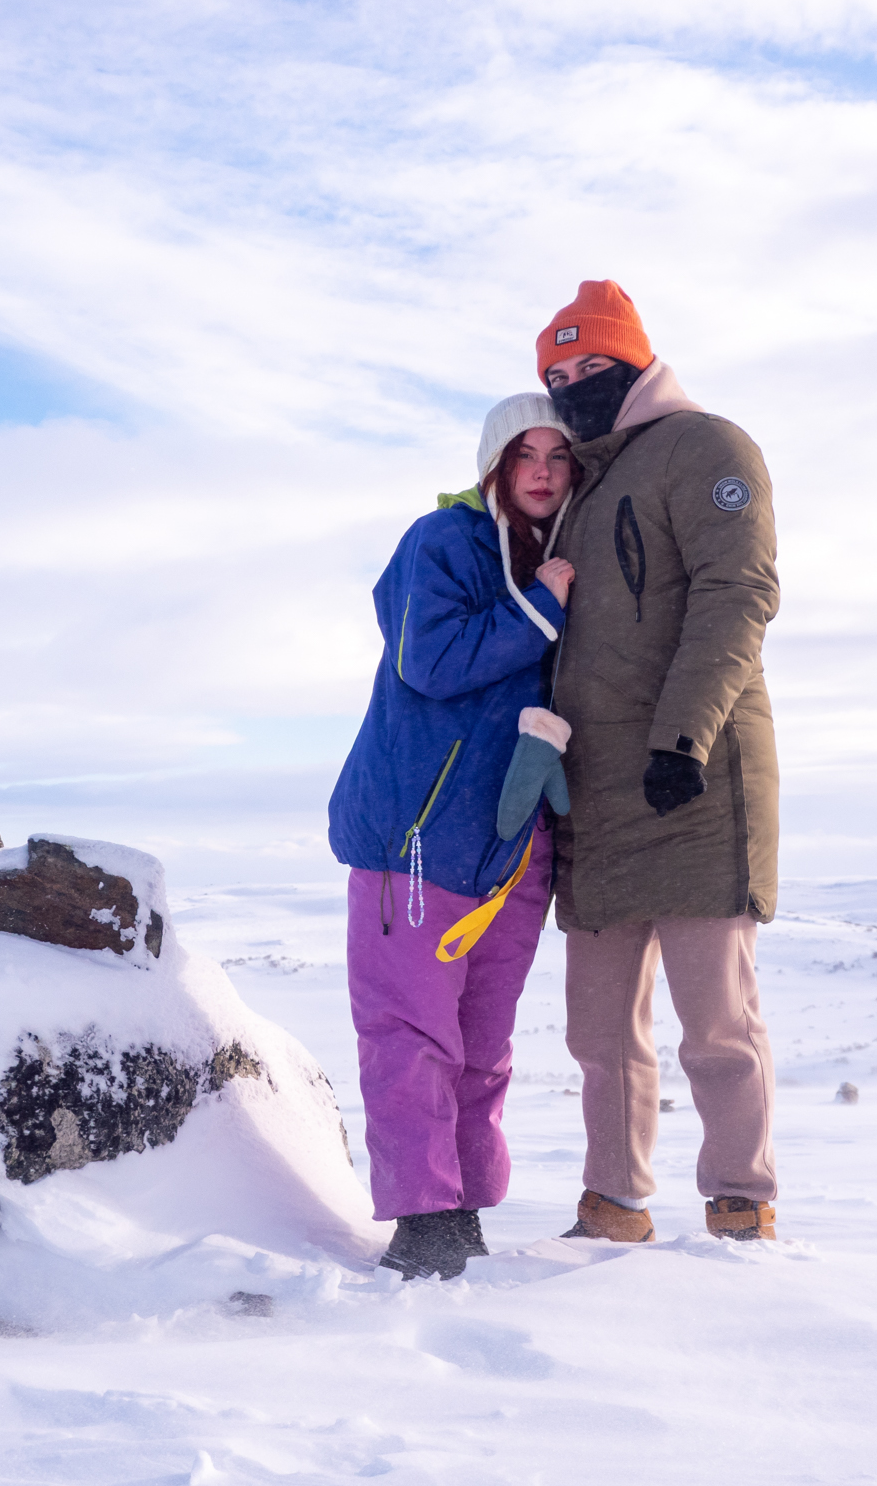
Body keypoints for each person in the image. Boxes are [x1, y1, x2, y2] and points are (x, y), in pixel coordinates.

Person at [536, 280, 784, 1243]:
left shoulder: (708, 447)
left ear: (636, 360)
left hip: (695, 776)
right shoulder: (581, 484)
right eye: (557, 375)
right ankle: (613, 1204)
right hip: (595, 799)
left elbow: (738, 593)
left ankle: (740, 1200)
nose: (575, 386)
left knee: (716, 1026)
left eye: (592, 366)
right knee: (599, 1034)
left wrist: (684, 737)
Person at [327, 393, 580, 1280]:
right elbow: (425, 662)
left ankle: (463, 1207)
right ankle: (421, 1218)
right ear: (493, 468)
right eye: (524, 455)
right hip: (418, 837)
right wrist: (538, 612)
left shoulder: (559, 556)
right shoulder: (444, 544)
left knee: (484, 1045)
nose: (542, 471)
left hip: (510, 845)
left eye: (557, 455)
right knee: (410, 1037)